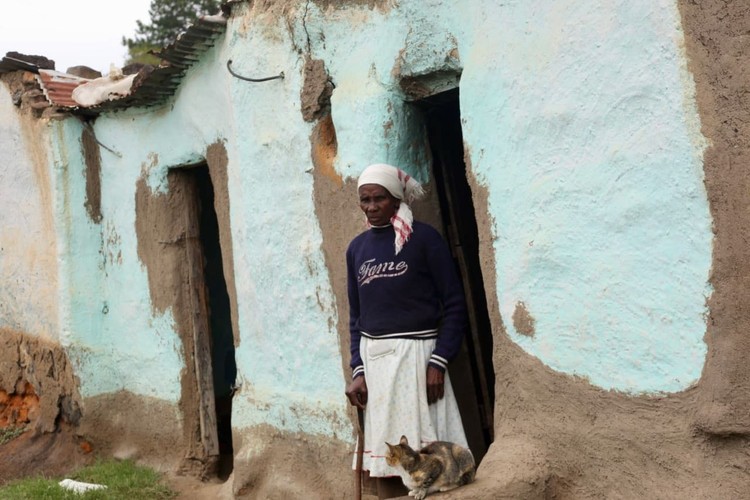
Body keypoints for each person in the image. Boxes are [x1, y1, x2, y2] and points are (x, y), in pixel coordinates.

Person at [344, 163, 470, 498]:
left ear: (396, 199)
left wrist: (439, 361)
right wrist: (358, 370)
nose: (371, 207)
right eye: (365, 200)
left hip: (418, 361)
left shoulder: (425, 240)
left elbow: (455, 304)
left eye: (379, 199)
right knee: (388, 460)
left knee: (431, 462)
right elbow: (356, 318)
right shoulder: (357, 249)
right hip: (375, 366)